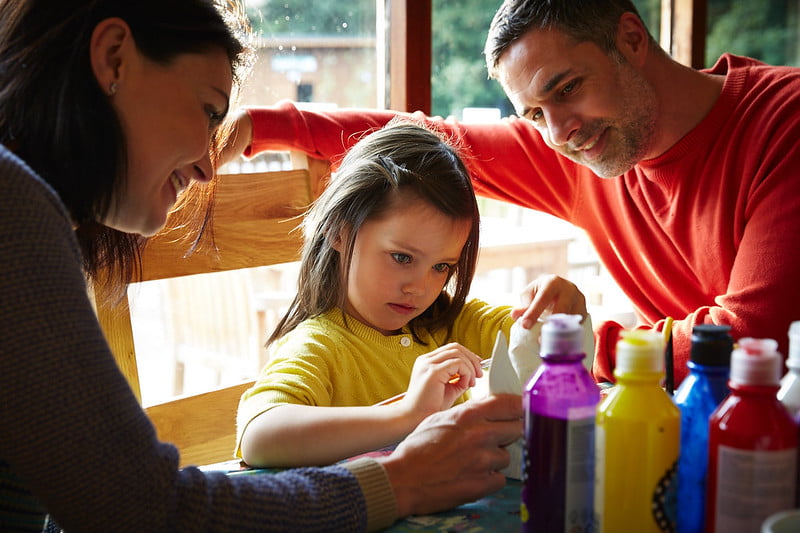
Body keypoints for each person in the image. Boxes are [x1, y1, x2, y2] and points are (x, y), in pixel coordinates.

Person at [0, 1, 524, 531]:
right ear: (114, 58)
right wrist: (400, 482)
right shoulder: (11, 210)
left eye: (442, 267)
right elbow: (141, 506)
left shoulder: (24, 208)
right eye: (208, 110)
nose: (208, 164)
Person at [221, 0, 800, 386]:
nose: (560, 132)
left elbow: (752, 341)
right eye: (534, 114)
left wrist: (570, 346)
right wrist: (262, 126)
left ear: (630, 37)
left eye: (567, 88)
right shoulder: (582, 149)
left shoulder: (783, 122)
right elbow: (429, 139)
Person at [237, 121, 579, 468]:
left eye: (441, 267)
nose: (420, 288)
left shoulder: (449, 325)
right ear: (338, 231)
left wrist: (558, 314)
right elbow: (259, 436)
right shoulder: (320, 346)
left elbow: (540, 341)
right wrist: (408, 413)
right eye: (402, 258)